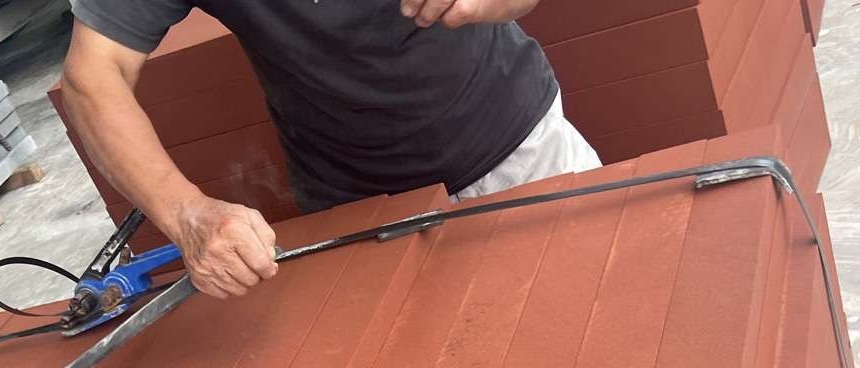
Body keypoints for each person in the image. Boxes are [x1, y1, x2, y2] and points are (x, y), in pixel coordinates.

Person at [62, 1, 600, 300]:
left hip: (521, 144)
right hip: (362, 205)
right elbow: (93, 74)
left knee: (600, 313)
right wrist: (186, 213)